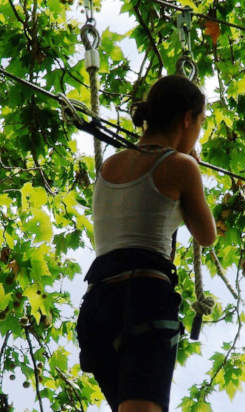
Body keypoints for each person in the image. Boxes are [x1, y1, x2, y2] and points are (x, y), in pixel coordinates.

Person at [76, 75, 217, 412]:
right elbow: (206, 235)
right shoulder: (182, 167)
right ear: (187, 119)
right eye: (200, 122)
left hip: (98, 304)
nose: (198, 131)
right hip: (143, 298)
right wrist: (193, 167)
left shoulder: (111, 164)